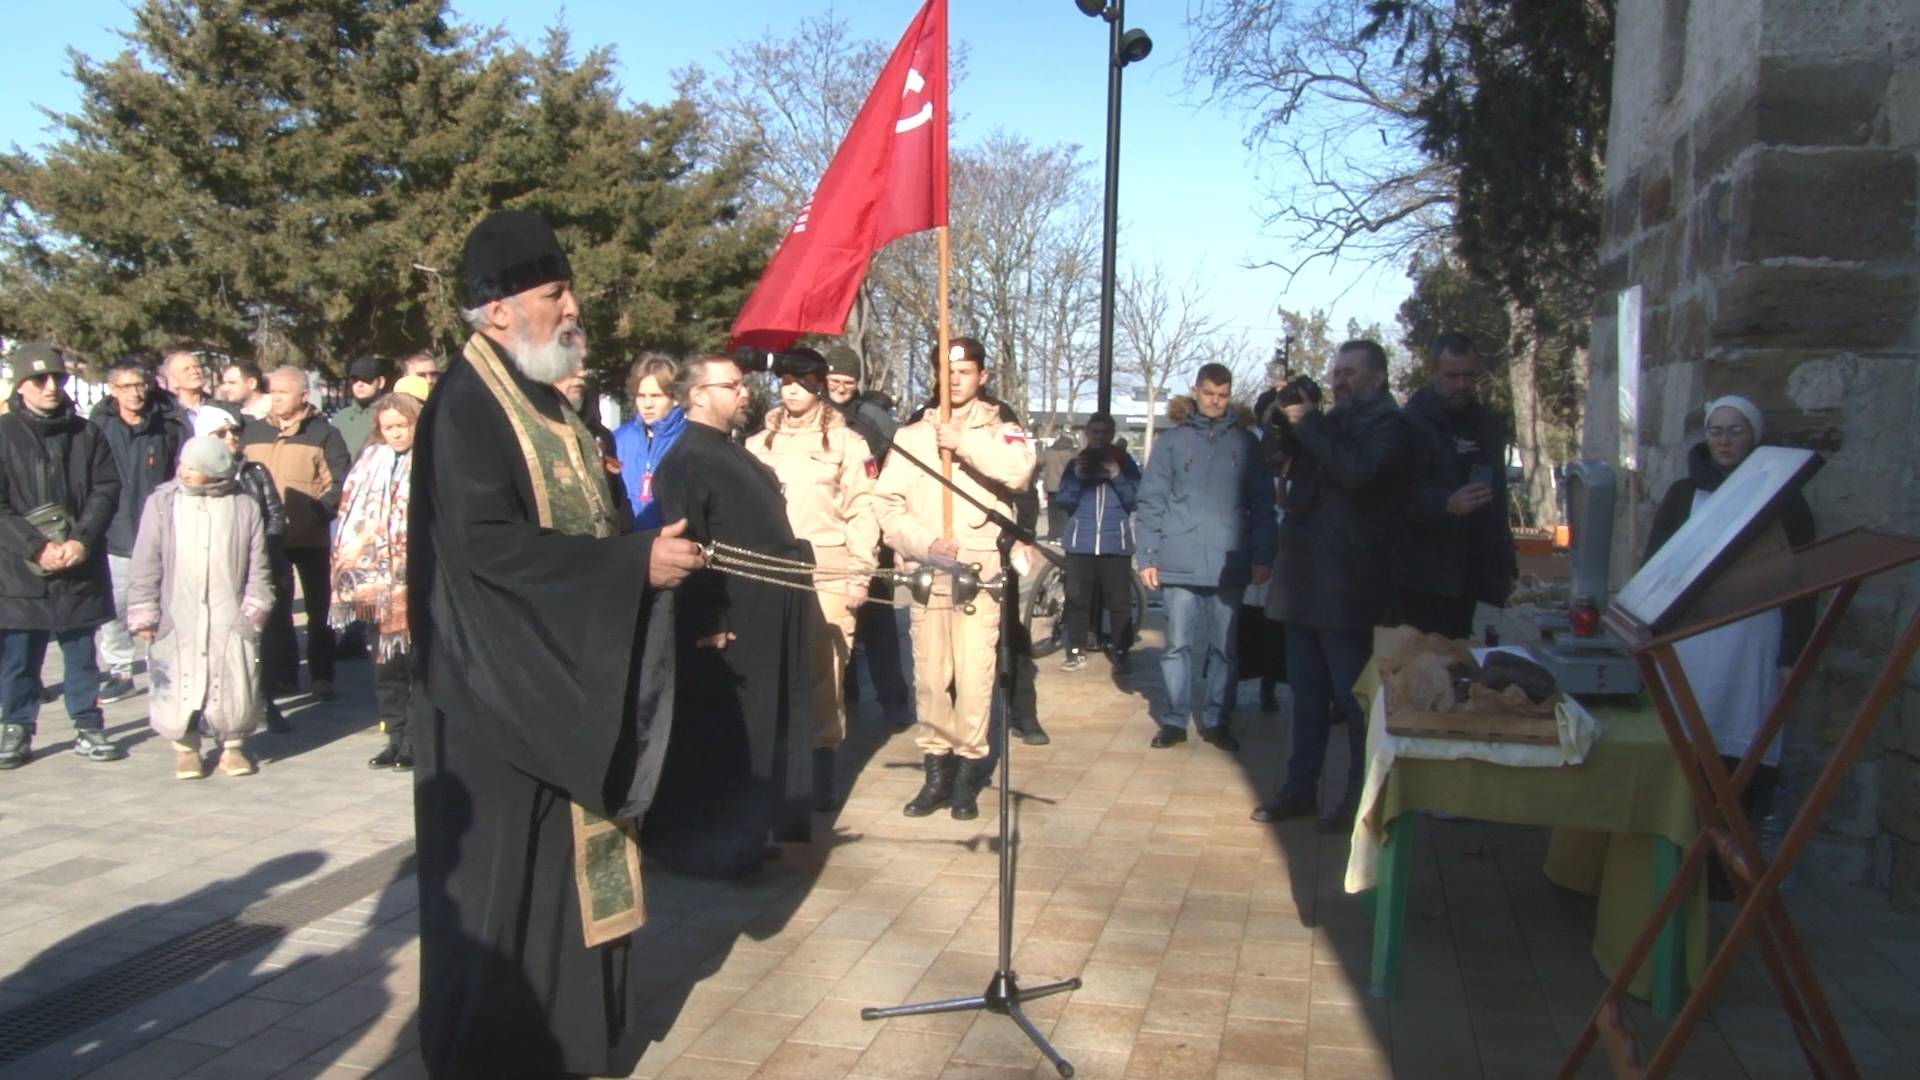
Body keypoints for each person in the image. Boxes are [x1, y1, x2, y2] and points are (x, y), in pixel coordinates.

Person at [413, 209, 703, 1080]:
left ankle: (575, 1045)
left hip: (561, 677)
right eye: (554, 293)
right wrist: (629, 568)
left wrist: (636, 552)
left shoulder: (547, 401)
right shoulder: (465, 406)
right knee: (511, 893)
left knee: (570, 884)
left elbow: (593, 519)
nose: (573, 307)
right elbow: (485, 550)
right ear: (499, 311)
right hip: (494, 701)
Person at [648, 353, 813, 874]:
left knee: (764, 728)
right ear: (697, 395)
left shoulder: (732, 452)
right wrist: (706, 622)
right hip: (730, 617)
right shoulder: (686, 459)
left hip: (768, 610)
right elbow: (686, 545)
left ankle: (750, 831)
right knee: (729, 735)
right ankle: (719, 849)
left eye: (743, 385)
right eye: (733, 385)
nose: (745, 393)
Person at [1644, 394, 1814, 894]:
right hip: (1690, 642)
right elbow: (1656, 565)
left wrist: (1791, 655)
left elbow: (1801, 581)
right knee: (1686, 742)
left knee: (1738, 746)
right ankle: (1675, 855)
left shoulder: (1784, 497)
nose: (1723, 440)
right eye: (1716, 430)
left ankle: (1722, 874)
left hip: (1751, 641)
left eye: (1734, 431)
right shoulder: (1683, 494)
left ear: (1753, 436)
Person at [872, 336, 1036, 820]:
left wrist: (962, 442)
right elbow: (887, 503)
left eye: (965, 372)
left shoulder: (1002, 429)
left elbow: (1019, 473)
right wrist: (922, 543)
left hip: (979, 572)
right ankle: (935, 773)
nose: (955, 380)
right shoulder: (911, 436)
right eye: (947, 373)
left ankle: (967, 774)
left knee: (973, 675)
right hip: (931, 569)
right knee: (930, 674)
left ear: (982, 376)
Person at [1254, 340, 1413, 832]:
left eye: (1350, 372)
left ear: (1378, 377)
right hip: (1304, 582)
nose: (1340, 381)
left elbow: (1357, 472)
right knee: (1306, 695)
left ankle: (1358, 799)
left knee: (1353, 701)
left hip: (1348, 587)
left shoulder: (1389, 425)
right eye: (1336, 373)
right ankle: (1299, 789)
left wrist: (1311, 424)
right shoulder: (1331, 421)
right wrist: (1283, 421)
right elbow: (1275, 464)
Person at [747, 354, 879, 812]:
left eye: (801, 381)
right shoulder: (757, 443)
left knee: (825, 671)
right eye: (783, 381)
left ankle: (822, 768)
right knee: (773, 669)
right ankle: (777, 769)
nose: (791, 390)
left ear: (821, 385)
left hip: (828, 566)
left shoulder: (848, 443)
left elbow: (864, 511)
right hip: (771, 570)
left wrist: (859, 573)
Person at [1134, 363, 1277, 752]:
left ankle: (1216, 719)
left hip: (1230, 563)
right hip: (1179, 560)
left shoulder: (1247, 443)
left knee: (1225, 649)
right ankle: (1174, 720)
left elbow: (1263, 504)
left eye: (1222, 395)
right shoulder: (1172, 442)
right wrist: (1147, 555)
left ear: (1230, 395)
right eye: (1209, 393)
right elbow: (1151, 501)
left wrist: (1264, 555)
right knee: (1177, 645)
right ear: (1196, 391)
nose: (1215, 402)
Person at [0, 344, 124, 769]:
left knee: (80, 653)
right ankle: (16, 726)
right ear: (21, 385)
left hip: (79, 564)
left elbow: (106, 489)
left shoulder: (86, 433)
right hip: (19, 570)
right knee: (20, 655)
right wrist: (36, 546)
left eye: (58, 378)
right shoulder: (3, 434)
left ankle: (88, 725)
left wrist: (81, 541)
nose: (51, 386)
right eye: (40, 379)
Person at [126, 434, 272, 780]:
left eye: (195, 467)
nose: (185, 471)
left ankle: (233, 746)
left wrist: (254, 609)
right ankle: (185, 747)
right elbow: (145, 559)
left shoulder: (243, 506)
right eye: (184, 464)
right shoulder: (163, 503)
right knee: (179, 678)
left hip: (229, 612)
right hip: (179, 612)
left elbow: (258, 563)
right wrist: (144, 609)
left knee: (234, 678)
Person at [1396, 332, 1517, 639]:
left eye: (1468, 375)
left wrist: (1504, 565)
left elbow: (1497, 499)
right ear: (1434, 372)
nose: (1462, 384)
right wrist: (1444, 503)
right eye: (1452, 376)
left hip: (1473, 572)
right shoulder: (1411, 423)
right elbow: (1394, 492)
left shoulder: (1485, 423)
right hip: (1423, 576)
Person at [242, 365, 352, 700]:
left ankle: (322, 675)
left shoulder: (323, 433)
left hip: (311, 536)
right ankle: (284, 676)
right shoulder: (252, 432)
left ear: (303, 395)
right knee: (276, 610)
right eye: (272, 391)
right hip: (268, 538)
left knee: (319, 609)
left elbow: (341, 480)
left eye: (283, 392)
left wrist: (320, 510)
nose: (275, 398)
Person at [823, 344, 911, 731]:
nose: (841, 388)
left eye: (848, 382)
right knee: (834, 624)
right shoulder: (816, 412)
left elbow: (892, 470)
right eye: (835, 381)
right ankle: (847, 697)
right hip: (827, 534)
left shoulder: (871, 419)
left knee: (877, 623)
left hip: (869, 531)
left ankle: (894, 704)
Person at [89, 359, 188, 703]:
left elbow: (181, 469)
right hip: (114, 528)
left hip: (159, 529)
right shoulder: (98, 425)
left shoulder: (168, 423)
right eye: (126, 386)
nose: (135, 392)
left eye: (140, 385)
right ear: (112, 389)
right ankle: (119, 668)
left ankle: (159, 666)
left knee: (159, 605)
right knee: (115, 604)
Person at [331, 392, 420, 771]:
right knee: (386, 665)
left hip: (415, 579)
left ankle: (417, 739)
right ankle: (395, 736)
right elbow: (350, 513)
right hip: (376, 584)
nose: (397, 434)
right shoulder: (369, 462)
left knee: (418, 665)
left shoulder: (432, 460)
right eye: (389, 428)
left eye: (403, 426)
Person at [196, 405, 290, 733]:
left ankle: (264, 700)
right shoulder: (195, 476)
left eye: (234, 431)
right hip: (216, 574)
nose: (230, 438)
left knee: (262, 640)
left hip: (258, 568)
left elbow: (275, 515)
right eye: (220, 434)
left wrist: (260, 550)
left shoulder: (255, 471)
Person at [1052, 412, 1140, 673]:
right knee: (1077, 599)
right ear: (1087, 434)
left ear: (1112, 434)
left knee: (1119, 602)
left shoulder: (1125, 463)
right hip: (1081, 542)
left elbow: (1135, 500)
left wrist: (1116, 475)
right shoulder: (1075, 463)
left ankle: (1122, 651)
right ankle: (1076, 649)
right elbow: (1064, 502)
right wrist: (1078, 478)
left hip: (1115, 543)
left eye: (1105, 432)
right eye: (1095, 432)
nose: (1099, 437)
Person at [611, 354, 685, 531]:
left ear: (674, 398)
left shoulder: (689, 439)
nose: (647, 404)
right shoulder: (618, 438)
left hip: (672, 544)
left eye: (656, 396)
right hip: (627, 545)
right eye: (641, 396)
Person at [331, 355, 388, 455]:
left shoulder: (389, 416)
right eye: (355, 380)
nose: (360, 384)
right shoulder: (340, 419)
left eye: (367, 379)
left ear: (381, 382)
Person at [1037, 432, 1079, 540]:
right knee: (1064, 513)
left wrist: (1038, 447)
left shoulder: (1049, 451)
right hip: (1066, 487)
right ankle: (1063, 535)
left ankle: (1053, 535)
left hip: (1051, 487)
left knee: (1052, 513)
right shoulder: (1071, 453)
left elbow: (1040, 461)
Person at [161, 350, 213, 425]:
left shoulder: (222, 408)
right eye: (186, 369)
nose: (194, 372)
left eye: (197, 367)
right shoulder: (167, 417)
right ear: (173, 382)